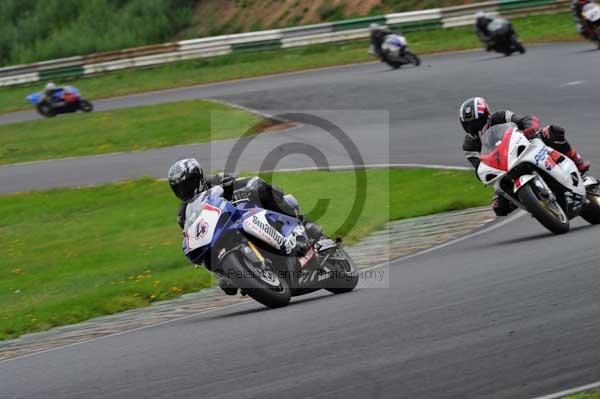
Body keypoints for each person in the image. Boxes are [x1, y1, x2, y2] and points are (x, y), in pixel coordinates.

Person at [168, 158, 322, 295]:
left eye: (187, 185)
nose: (184, 191)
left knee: (261, 187)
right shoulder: (183, 214)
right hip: (219, 232)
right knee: (203, 251)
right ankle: (227, 273)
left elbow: (242, 182)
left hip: (241, 211)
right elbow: (192, 233)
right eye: (179, 188)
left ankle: (301, 222)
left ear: (198, 178)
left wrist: (241, 189)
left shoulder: (215, 180)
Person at [459, 97, 591, 216]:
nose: (474, 126)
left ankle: (577, 161)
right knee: (499, 207)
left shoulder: (500, 116)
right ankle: (532, 202)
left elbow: (523, 120)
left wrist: (529, 128)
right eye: (469, 124)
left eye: (478, 121)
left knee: (552, 131)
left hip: (522, 144)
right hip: (501, 167)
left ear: (487, 115)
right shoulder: (469, 145)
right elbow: (478, 167)